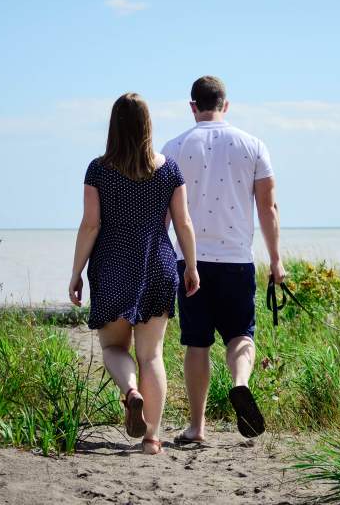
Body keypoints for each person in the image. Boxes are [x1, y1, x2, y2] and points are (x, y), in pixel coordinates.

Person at [68, 92, 200, 455]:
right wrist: (190, 265)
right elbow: (184, 223)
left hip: (111, 265)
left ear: (114, 127)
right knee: (152, 355)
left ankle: (130, 393)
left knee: (113, 346)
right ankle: (152, 439)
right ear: (148, 125)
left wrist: (76, 272)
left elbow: (90, 225)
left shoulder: (98, 169)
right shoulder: (169, 169)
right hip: (157, 263)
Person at [162, 76, 285, 442]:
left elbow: (163, 215)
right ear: (226, 105)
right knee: (240, 335)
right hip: (237, 260)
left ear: (192, 106)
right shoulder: (253, 145)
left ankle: (197, 428)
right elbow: (268, 207)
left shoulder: (174, 147)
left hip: (192, 262)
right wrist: (276, 260)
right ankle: (241, 382)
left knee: (196, 344)